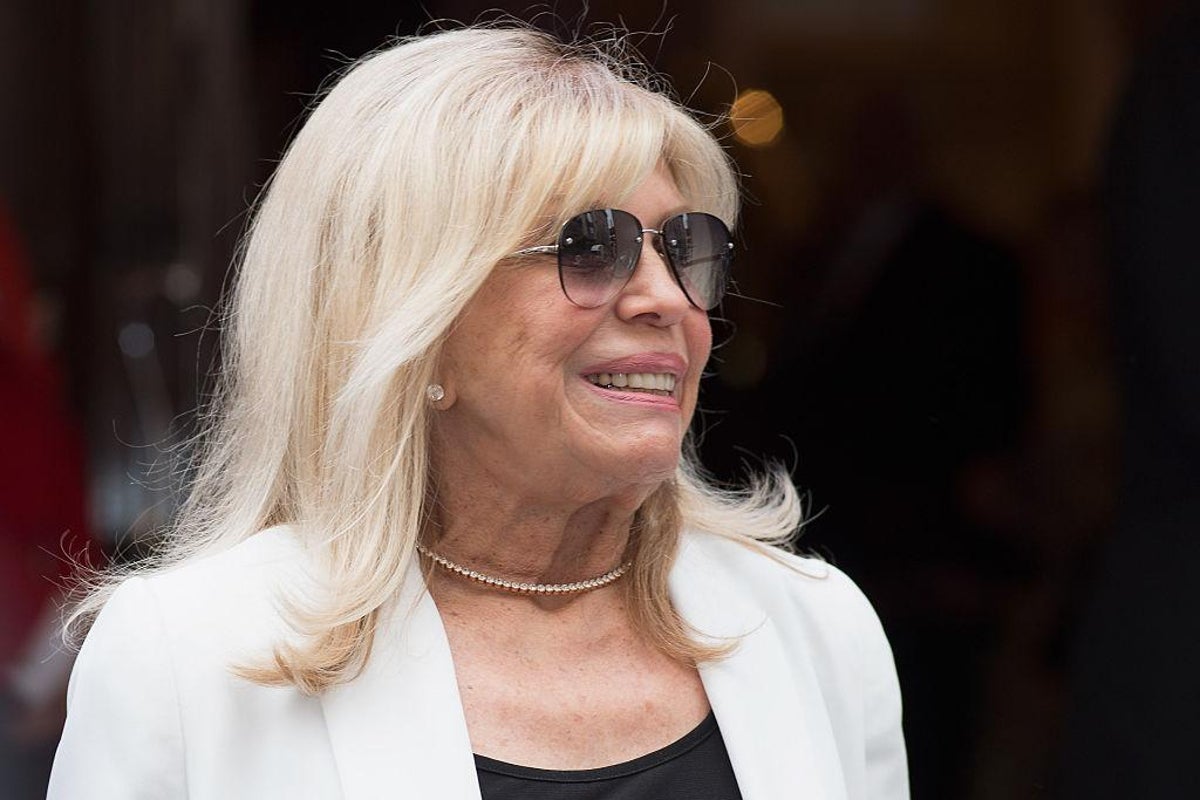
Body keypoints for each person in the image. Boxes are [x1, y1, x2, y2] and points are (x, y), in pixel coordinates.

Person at [49, 25, 908, 799]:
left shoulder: (817, 628)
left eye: (687, 248)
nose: (667, 298)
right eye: (592, 246)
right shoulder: (186, 659)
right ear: (409, 322)